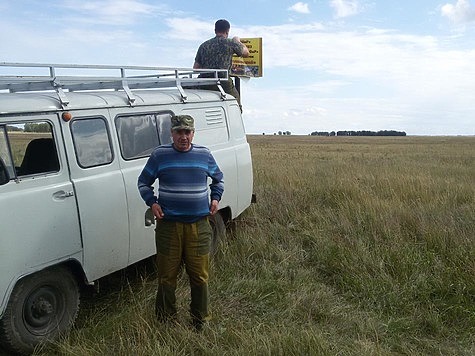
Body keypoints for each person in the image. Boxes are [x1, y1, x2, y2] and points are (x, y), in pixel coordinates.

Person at [137, 114, 224, 331]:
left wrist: (216, 198)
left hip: (200, 226)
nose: (183, 136)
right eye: (179, 132)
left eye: (187, 132)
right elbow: (143, 182)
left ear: (193, 133)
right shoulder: (160, 155)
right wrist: (152, 202)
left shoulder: (204, 155)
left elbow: (218, 179)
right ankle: (165, 321)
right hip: (169, 227)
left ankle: (200, 321)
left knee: (200, 276)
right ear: (172, 133)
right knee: (166, 276)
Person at [193, 19, 249, 109]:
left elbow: (196, 68)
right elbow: (246, 53)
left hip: (205, 83)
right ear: (228, 31)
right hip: (223, 82)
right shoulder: (231, 43)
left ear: (215, 30)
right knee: (235, 107)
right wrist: (237, 41)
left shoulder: (203, 45)